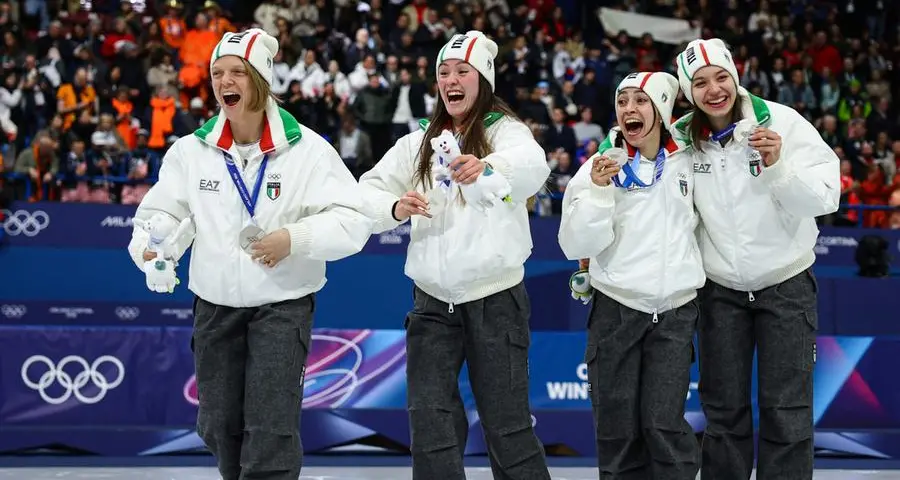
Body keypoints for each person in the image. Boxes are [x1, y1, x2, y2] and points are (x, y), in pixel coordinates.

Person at [126, 28, 373, 480]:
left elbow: (354, 222)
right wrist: (150, 251)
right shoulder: (191, 151)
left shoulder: (309, 151)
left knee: (271, 425)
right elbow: (158, 216)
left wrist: (293, 238)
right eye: (217, 73)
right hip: (214, 307)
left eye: (237, 71)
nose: (225, 82)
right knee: (218, 424)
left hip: (281, 307)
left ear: (260, 78)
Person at [358, 30, 552, 480]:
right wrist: (394, 207)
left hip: (495, 299)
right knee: (430, 425)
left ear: (482, 79)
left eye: (462, 71)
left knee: (507, 427)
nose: (451, 80)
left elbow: (532, 165)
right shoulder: (417, 143)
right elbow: (367, 190)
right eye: (443, 73)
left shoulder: (506, 133)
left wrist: (488, 167)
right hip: (430, 304)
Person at [673, 38, 840, 480]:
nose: (714, 90)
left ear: (736, 76)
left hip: (786, 284)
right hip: (720, 291)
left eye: (721, 77)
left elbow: (826, 197)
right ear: (688, 93)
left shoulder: (783, 122)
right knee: (723, 410)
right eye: (701, 83)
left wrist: (778, 165)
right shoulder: (683, 143)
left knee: (787, 410)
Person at [558, 72, 704, 479]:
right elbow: (574, 243)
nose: (629, 110)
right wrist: (601, 191)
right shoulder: (596, 168)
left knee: (665, 426)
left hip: (675, 313)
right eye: (622, 102)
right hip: (616, 312)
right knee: (617, 429)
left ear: (660, 109)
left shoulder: (689, 161)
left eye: (640, 101)